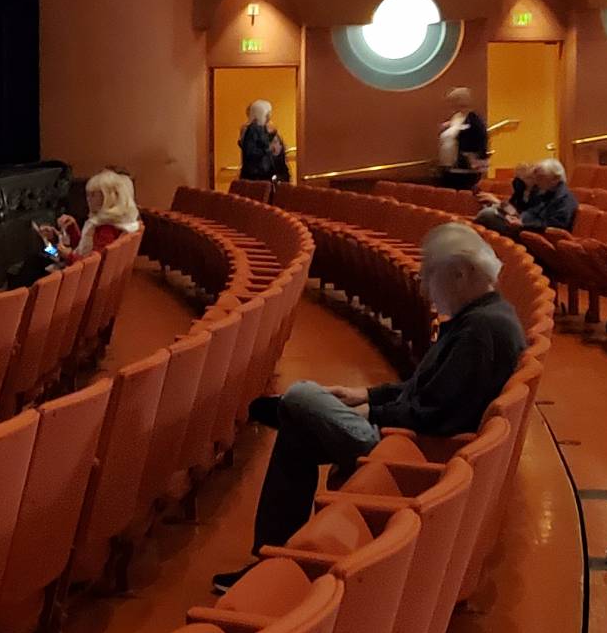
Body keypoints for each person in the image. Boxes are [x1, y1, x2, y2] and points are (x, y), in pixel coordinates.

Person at [221, 222, 525, 591]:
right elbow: (425, 390)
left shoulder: (481, 331)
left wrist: (371, 414)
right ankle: (271, 557)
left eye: (430, 276)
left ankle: (289, 408)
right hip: (404, 435)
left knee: (303, 396)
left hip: (410, 450)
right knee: (296, 432)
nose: (425, 288)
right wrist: (365, 395)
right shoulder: (484, 318)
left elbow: (437, 415)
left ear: (460, 274)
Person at [47, 168, 142, 266]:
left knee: (47, 253)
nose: (88, 199)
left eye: (93, 195)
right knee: (50, 251)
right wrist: (72, 228)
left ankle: (45, 245)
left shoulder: (106, 229)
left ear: (107, 198)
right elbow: (85, 248)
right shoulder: (113, 222)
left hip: (81, 276)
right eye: (87, 195)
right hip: (78, 268)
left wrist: (68, 255)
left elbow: (93, 265)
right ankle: (47, 243)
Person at [478, 158, 578, 233]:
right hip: (526, 228)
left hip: (533, 234)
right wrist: (518, 218)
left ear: (555, 178)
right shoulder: (546, 193)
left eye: (541, 177)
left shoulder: (564, 199)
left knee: (487, 215)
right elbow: (531, 212)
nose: (537, 181)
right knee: (489, 214)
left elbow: (555, 227)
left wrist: (523, 224)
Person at [435, 88, 488, 190]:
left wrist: (473, 159)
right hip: (448, 168)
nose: (451, 105)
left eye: (453, 101)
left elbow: (480, 142)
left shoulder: (474, 120)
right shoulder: (456, 117)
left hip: (465, 170)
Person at [237, 100, 291, 183]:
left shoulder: (271, 129)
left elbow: (280, 150)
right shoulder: (251, 130)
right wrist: (270, 149)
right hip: (260, 175)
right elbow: (252, 152)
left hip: (274, 172)